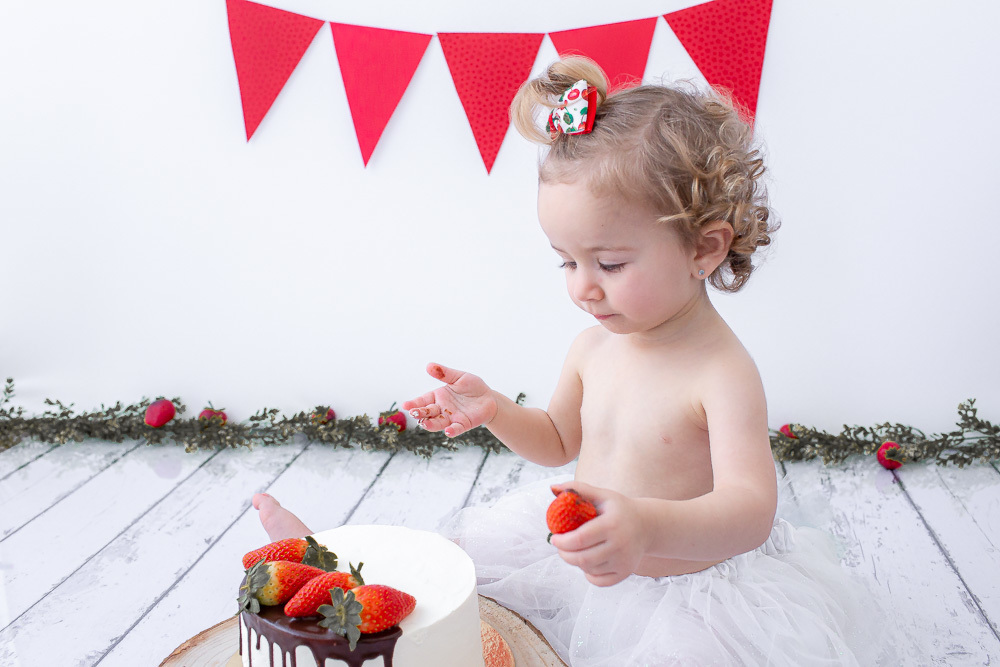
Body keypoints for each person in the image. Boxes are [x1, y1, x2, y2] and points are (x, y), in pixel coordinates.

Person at [254, 57, 896, 665]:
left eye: (609, 264)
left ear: (704, 249)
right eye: (566, 261)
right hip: (581, 561)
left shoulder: (720, 373)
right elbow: (560, 441)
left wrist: (646, 527)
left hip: (683, 593)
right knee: (458, 574)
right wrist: (495, 410)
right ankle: (333, 571)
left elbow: (750, 510)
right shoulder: (594, 346)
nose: (583, 287)